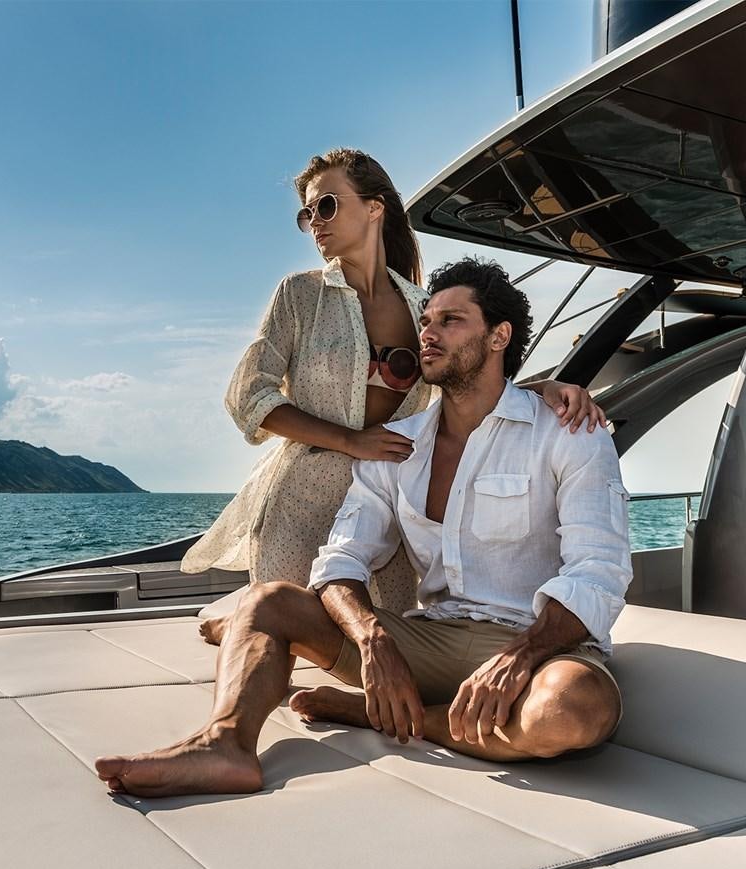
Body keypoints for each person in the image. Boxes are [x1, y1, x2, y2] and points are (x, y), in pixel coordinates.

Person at [95, 257, 632, 797]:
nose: (429, 333)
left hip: (538, 645)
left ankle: (398, 718)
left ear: (499, 336)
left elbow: (599, 569)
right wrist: (372, 638)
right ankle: (226, 745)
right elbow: (341, 559)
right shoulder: (396, 446)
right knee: (265, 602)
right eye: (426, 321)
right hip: (434, 639)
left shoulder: (567, 431)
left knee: (573, 712)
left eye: (451, 321)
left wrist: (521, 656)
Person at [183, 149, 605, 640]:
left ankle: (233, 618)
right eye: (307, 214)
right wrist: (350, 440)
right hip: (301, 497)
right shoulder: (298, 295)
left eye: (326, 206)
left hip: (391, 499)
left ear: (374, 207)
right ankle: (234, 621)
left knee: (390, 643)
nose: (314, 222)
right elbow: (249, 397)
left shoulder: (423, 307)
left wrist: (545, 388)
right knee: (281, 637)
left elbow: (465, 383)